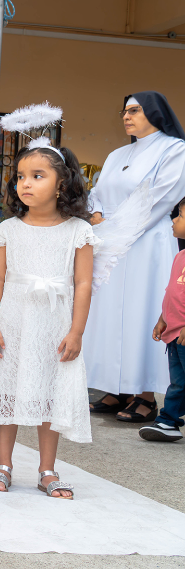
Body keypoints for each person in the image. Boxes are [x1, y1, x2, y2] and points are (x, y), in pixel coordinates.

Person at [0, 143, 96, 500]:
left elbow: (83, 283)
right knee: (9, 390)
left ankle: (47, 469)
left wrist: (76, 331)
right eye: (20, 177)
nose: (25, 183)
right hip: (14, 321)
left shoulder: (78, 231)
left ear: (62, 184)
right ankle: (3, 464)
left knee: (49, 392)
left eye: (37, 176)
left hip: (54, 325)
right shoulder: (8, 229)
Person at [84, 93, 185, 423]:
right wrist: (97, 215)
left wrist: (117, 227)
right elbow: (97, 192)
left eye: (134, 110)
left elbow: (162, 196)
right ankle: (116, 389)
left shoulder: (175, 149)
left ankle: (145, 395)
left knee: (142, 312)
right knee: (111, 315)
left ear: (155, 112)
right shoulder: (117, 154)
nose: (126, 116)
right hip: (112, 243)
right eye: (124, 111)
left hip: (147, 242)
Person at [140, 197, 185, 442]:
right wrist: (163, 319)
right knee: (178, 381)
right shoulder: (180, 256)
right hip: (174, 334)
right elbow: (173, 293)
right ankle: (168, 422)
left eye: (180, 216)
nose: (174, 220)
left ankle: (168, 419)